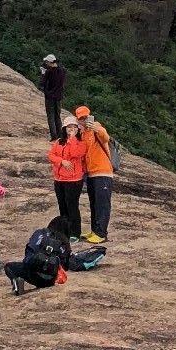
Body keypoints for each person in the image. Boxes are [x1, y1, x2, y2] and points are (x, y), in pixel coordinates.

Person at [75, 106, 113, 244]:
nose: (84, 120)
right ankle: (95, 230)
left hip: (102, 171)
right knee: (94, 203)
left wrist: (96, 128)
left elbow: (105, 137)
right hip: (91, 173)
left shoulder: (96, 128)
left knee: (102, 203)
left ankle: (101, 233)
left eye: (86, 117)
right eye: (81, 118)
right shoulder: (83, 133)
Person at [48, 114, 87, 239]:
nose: (72, 129)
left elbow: (76, 154)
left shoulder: (81, 142)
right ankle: (65, 230)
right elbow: (51, 156)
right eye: (69, 127)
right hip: (59, 179)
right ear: (64, 128)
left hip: (73, 180)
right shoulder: (59, 142)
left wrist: (73, 139)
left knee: (72, 206)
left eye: (74, 127)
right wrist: (61, 161)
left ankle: (75, 232)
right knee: (62, 205)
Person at [4, 223, 68, 296]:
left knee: (8, 267)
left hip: (34, 276)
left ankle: (16, 283)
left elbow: (27, 257)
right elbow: (64, 263)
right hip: (50, 281)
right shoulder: (62, 240)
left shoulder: (39, 233)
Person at [39, 55, 66, 142]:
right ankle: (60, 134)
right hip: (58, 97)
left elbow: (42, 84)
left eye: (47, 62)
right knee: (57, 116)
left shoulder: (48, 72)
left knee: (50, 115)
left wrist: (43, 74)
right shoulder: (62, 71)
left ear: (50, 62)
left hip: (50, 96)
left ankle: (54, 135)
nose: (46, 63)